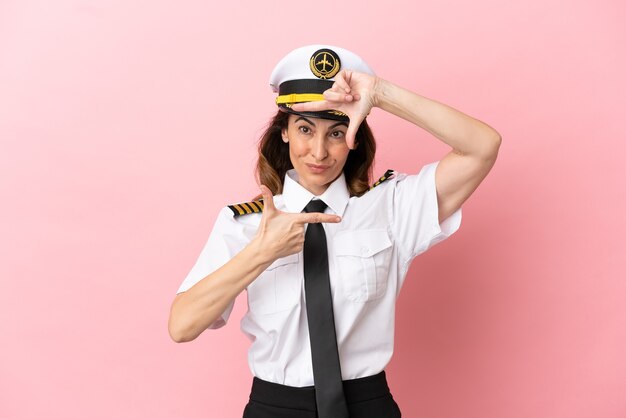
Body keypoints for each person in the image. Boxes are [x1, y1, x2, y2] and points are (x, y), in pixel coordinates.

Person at [168, 44, 501, 418]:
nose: (319, 152)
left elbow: (483, 147)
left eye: (337, 132)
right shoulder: (245, 223)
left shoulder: (391, 206)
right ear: (284, 133)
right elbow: (182, 326)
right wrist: (261, 252)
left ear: (355, 135)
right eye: (305, 129)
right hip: (275, 408)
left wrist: (380, 95)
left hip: (367, 405)